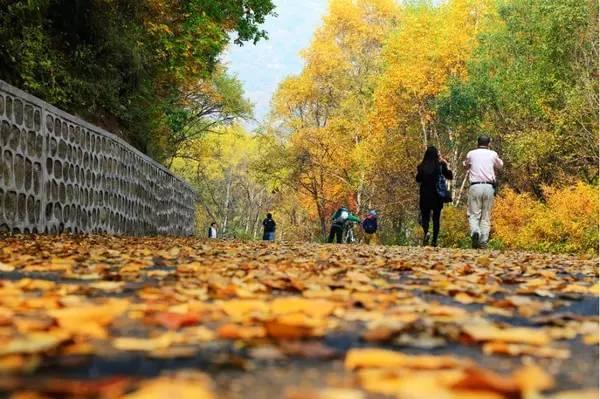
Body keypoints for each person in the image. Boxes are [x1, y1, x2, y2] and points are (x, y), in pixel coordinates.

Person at [463, 135, 504, 249]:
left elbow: (465, 165)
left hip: (475, 186)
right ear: (489, 143)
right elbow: (500, 166)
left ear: (477, 143)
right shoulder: (493, 154)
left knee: (473, 214)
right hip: (488, 187)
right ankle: (483, 241)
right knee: (486, 215)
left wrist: (467, 164)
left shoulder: (471, 153)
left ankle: (475, 231)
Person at [416, 146, 453, 247]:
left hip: (425, 194)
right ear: (437, 154)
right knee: (436, 218)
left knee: (425, 216)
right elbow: (450, 176)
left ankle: (426, 232)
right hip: (437, 195)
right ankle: (434, 240)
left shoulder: (421, 166)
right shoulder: (440, 165)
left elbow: (418, 179)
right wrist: (446, 164)